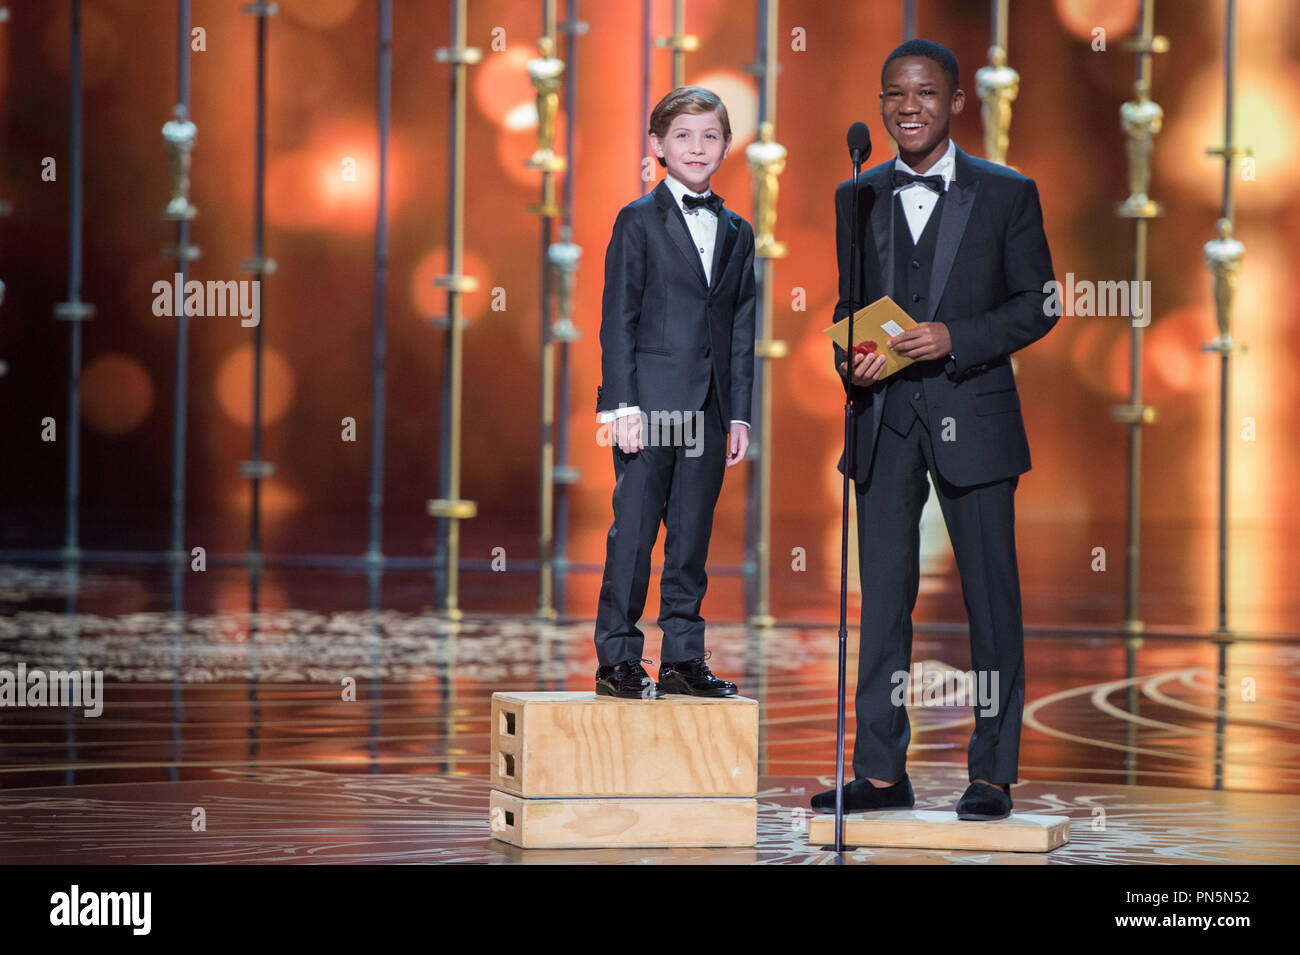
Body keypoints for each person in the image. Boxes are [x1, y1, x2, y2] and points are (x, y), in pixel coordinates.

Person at [811, 39, 1057, 820]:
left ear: (955, 102)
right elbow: (849, 306)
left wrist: (958, 336)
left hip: (973, 415)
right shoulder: (859, 192)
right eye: (893, 94)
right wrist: (850, 357)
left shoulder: (1006, 193)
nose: (906, 107)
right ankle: (882, 772)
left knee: (991, 600)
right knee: (882, 601)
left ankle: (991, 772)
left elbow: (1039, 303)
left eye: (923, 93)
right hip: (884, 423)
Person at [592, 86, 756, 700]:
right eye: (683, 136)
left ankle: (684, 658)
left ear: (726, 146)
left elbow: (741, 328)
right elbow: (618, 317)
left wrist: (739, 412)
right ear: (658, 146)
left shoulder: (737, 230)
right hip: (650, 404)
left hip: (710, 409)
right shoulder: (638, 220)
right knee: (634, 534)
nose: (697, 147)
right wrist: (620, 404)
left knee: (692, 539)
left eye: (709, 136)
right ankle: (618, 659)